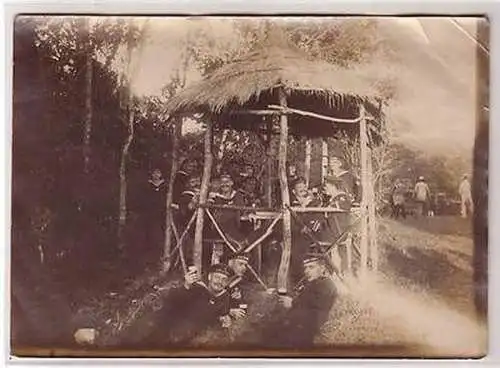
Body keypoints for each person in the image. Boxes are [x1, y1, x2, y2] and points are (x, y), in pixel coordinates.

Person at [146, 263, 233, 347]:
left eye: (224, 279)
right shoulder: (197, 288)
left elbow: (218, 314)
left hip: (193, 339)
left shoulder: (225, 297)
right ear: (210, 277)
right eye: (217, 277)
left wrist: (223, 318)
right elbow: (174, 299)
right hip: (171, 332)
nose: (220, 282)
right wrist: (186, 286)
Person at [261, 254, 337, 348]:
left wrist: (292, 303)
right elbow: (304, 300)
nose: (307, 271)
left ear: (322, 268)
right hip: (298, 326)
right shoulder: (315, 283)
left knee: (264, 336)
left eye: (311, 267)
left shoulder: (325, 286)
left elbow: (315, 314)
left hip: (305, 332)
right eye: (305, 268)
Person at [318, 175, 352, 277]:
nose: (325, 189)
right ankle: (328, 271)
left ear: (333, 186)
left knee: (315, 240)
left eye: (327, 186)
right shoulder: (332, 199)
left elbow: (337, 208)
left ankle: (335, 272)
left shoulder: (343, 197)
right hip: (332, 231)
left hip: (338, 232)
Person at [290, 177, 322, 285]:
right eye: (299, 187)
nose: (303, 189)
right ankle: (297, 279)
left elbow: (318, 218)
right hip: (295, 233)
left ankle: (302, 279)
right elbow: (292, 221)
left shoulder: (314, 201)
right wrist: (302, 206)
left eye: (304, 186)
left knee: (299, 249)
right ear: (294, 191)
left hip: (311, 233)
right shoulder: (291, 203)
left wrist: (309, 227)